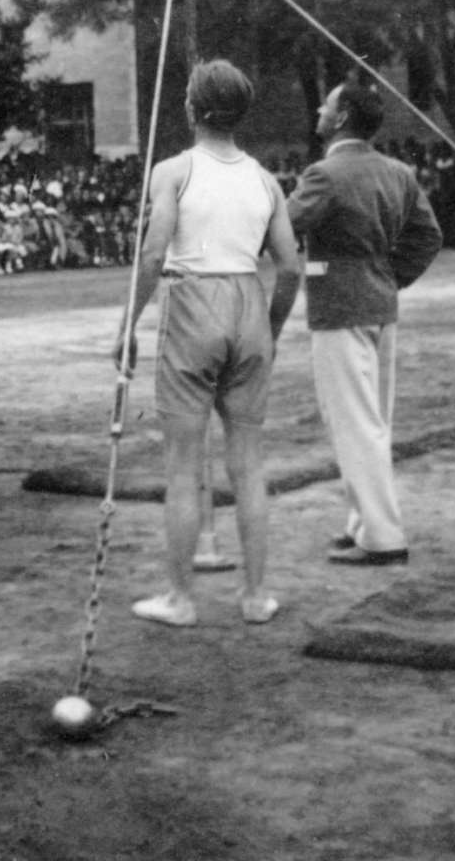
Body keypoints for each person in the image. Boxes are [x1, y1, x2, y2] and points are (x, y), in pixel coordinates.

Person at [114, 60, 302, 627]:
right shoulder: (266, 180)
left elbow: (152, 255)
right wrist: (269, 326)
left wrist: (126, 326)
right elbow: (290, 266)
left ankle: (180, 597)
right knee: (248, 464)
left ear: (192, 109)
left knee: (182, 466)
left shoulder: (173, 171)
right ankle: (255, 595)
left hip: (193, 303)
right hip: (248, 301)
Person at [287, 76, 443, 567]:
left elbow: (283, 224)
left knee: (353, 424)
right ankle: (363, 523)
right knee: (372, 421)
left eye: (327, 104)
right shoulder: (398, 172)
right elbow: (428, 237)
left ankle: (381, 534)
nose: (318, 110)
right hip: (379, 305)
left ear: (344, 119)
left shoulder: (325, 174)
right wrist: (388, 278)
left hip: (340, 307)